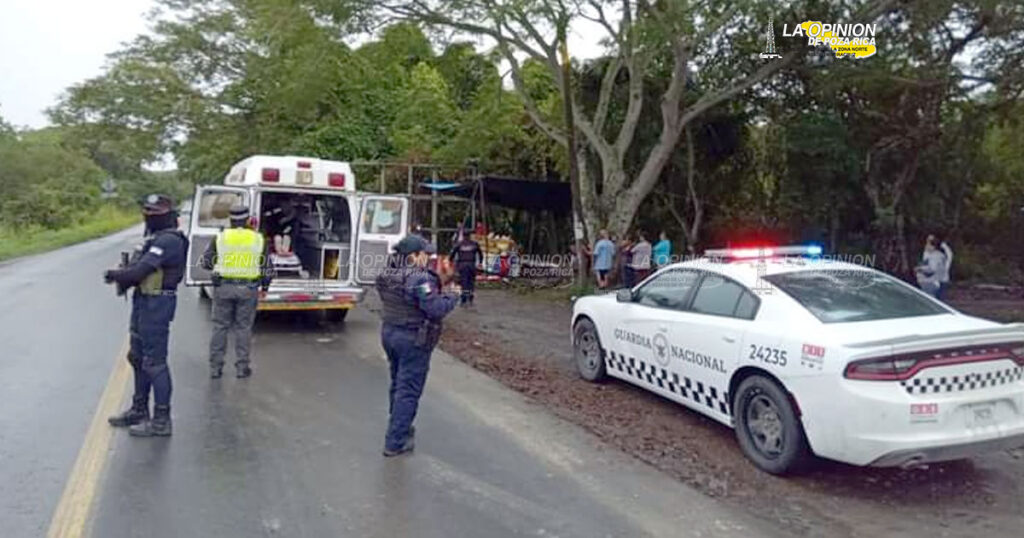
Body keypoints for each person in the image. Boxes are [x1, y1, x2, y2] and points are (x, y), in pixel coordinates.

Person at [104, 194, 189, 437]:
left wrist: (116, 276)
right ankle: (139, 409)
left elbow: (140, 271)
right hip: (144, 301)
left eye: (155, 213)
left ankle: (162, 421)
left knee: (155, 363)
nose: (149, 217)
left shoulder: (170, 241)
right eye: (148, 212)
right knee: (137, 357)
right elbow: (136, 269)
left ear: (166, 215)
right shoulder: (154, 239)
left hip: (158, 303)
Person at [376, 235, 458, 456]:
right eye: (425, 254)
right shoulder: (419, 279)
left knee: (397, 383)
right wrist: (452, 296)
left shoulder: (387, 273)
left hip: (389, 333)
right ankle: (396, 441)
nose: (428, 258)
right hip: (412, 338)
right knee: (408, 390)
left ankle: (400, 426)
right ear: (413, 256)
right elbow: (435, 308)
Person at [201, 204, 273, 379]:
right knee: (243, 328)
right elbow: (266, 266)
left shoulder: (221, 238)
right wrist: (265, 287)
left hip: (224, 288)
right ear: (248, 220)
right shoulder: (258, 239)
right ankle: (242, 367)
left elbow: (207, 263)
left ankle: (215, 368)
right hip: (248, 289)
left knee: (220, 327)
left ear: (231, 220)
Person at [449, 231, 482, 306]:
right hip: (471, 265)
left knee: (463, 282)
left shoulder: (459, 244)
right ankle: (470, 298)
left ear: (463, 236)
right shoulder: (474, 244)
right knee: (471, 282)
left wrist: (451, 261)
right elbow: (480, 254)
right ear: (470, 236)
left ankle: (463, 299)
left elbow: (452, 254)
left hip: (462, 265)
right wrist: (480, 262)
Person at [915, 234, 946, 299]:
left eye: (928, 244)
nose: (926, 246)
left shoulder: (935, 256)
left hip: (932, 282)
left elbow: (932, 269)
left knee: (930, 298)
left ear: (933, 246)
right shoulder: (934, 255)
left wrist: (920, 268)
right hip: (932, 282)